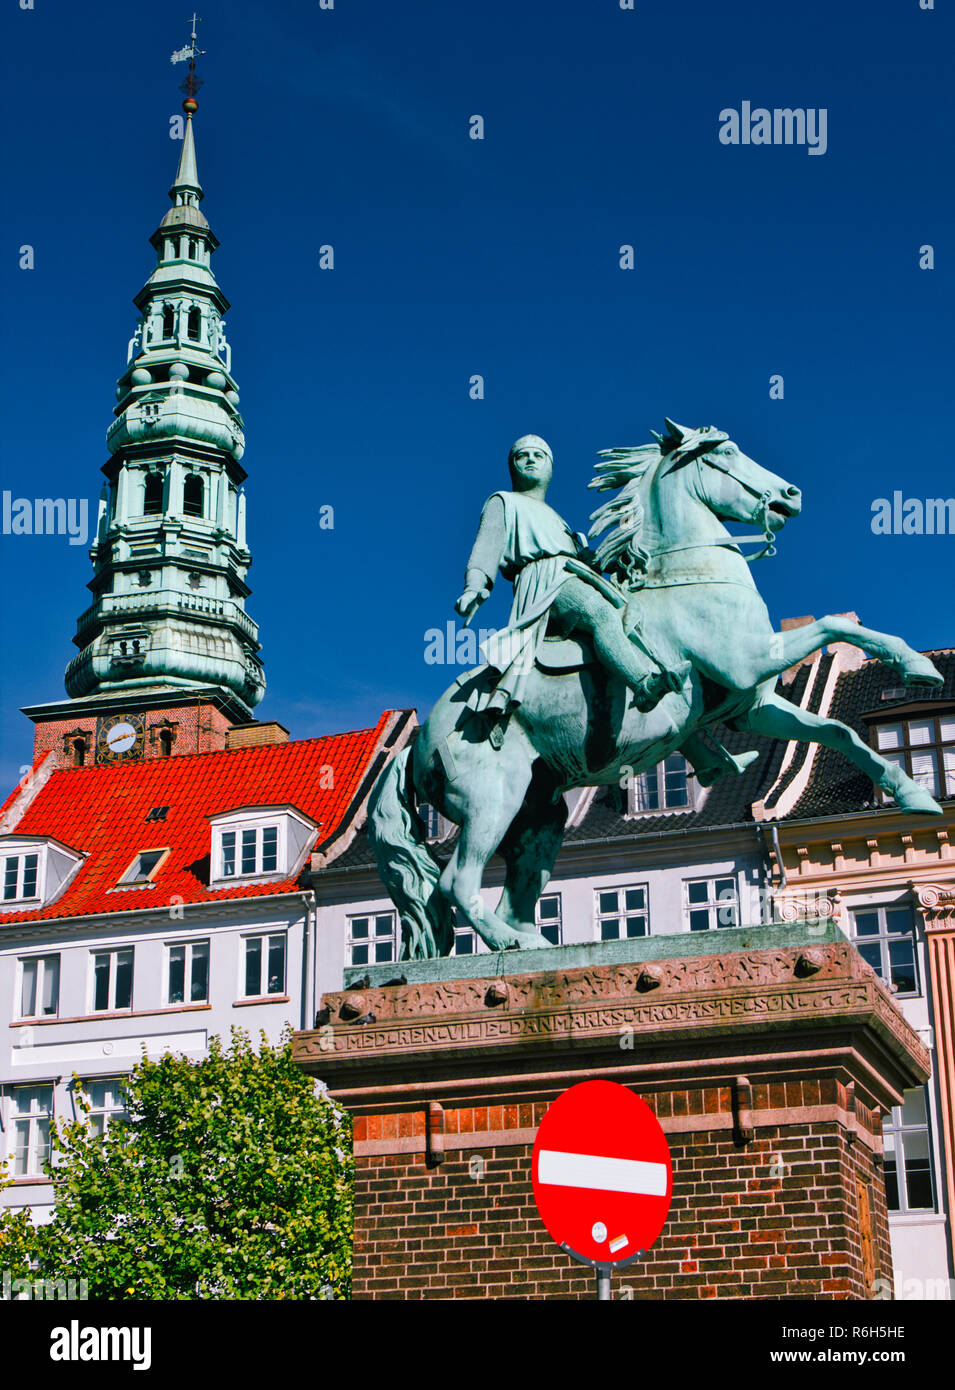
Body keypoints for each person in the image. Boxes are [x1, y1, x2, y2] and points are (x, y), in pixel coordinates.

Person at [455, 435, 682, 746]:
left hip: (574, 575)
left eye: (539, 455)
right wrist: (474, 587)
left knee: (636, 617)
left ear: (550, 467)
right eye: (523, 456)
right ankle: (642, 687)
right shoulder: (504, 501)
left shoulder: (560, 520)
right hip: (545, 581)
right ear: (512, 467)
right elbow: (486, 549)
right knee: (600, 613)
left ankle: (701, 750)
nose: (531, 460)